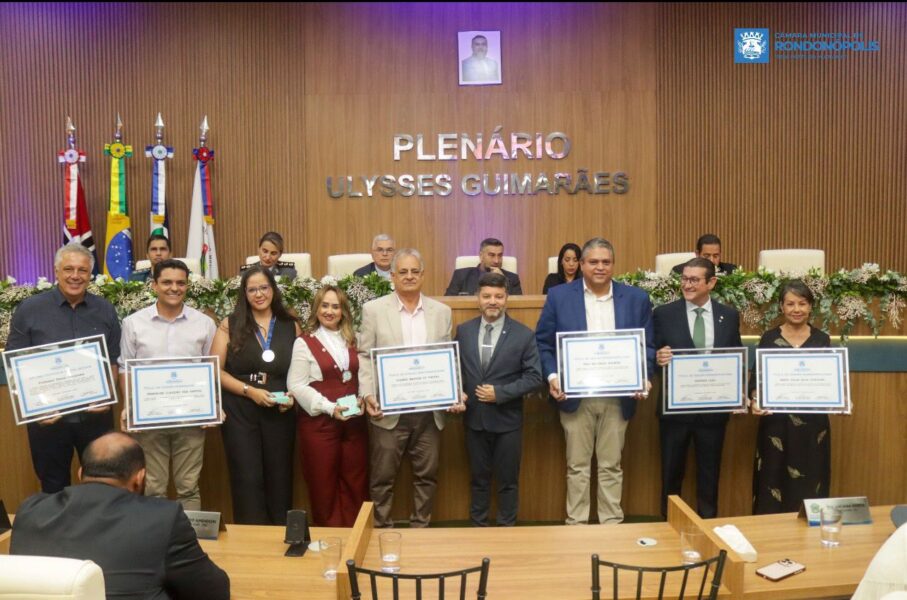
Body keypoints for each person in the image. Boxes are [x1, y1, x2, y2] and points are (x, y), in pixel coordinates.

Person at [10, 432, 230, 600]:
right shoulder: (163, 518)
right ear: (140, 478)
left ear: (80, 474)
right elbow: (214, 592)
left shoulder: (30, 510)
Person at [535, 237, 655, 525]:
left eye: (606, 262)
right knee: (577, 467)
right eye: (593, 262)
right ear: (581, 264)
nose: (600, 267)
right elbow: (542, 343)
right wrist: (553, 376)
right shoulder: (559, 296)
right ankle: (576, 524)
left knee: (611, 466)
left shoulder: (636, 298)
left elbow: (648, 346)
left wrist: (644, 377)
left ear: (613, 264)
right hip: (575, 397)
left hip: (619, 396)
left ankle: (610, 524)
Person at [357, 248, 466, 528]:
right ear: (392, 276)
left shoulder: (441, 312)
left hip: (429, 412)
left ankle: (421, 529)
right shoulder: (373, 310)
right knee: (382, 479)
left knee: (427, 476)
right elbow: (365, 355)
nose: (409, 276)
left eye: (414, 271)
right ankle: (381, 530)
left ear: (422, 274)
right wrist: (368, 394)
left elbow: (448, 358)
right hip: (387, 410)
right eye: (402, 272)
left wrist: (455, 391)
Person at [6, 243, 121, 493]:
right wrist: (33, 410)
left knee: (102, 485)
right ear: (56, 271)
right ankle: (60, 533)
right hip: (48, 419)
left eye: (82, 270)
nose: (75, 276)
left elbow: (112, 360)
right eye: (68, 269)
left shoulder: (105, 309)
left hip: (95, 417)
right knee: (53, 486)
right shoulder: (30, 309)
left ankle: (98, 532)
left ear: (90, 274)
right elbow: (16, 365)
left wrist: (108, 398)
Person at [119, 259, 217, 511]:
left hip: (191, 419)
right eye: (167, 282)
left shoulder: (204, 323)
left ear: (187, 286)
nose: (174, 288)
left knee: (188, 487)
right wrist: (129, 407)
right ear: (154, 286)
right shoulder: (133, 323)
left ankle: (189, 546)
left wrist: (214, 405)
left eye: (180, 283)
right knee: (153, 489)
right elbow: (125, 368)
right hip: (149, 419)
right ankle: (157, 545)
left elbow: (212, 368)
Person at [654, 257, 743, 518]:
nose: (687, 285)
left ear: (711, 282)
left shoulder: (729, 315)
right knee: (671, 475)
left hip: (713, 413)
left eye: (694, 280)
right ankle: (668, 524)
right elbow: (650, 353)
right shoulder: (663, 314)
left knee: (709, 475)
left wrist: (739, 394)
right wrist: (658, 358)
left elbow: (735, 358)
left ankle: (709, 527)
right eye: (684, 279)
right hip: (675, 413)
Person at [211, 265, 301, 524]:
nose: (259, 294)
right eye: (252, 289)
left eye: (264, 287)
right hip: (241, 407)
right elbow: (216, 371)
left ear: (273, 289)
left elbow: (302, 368)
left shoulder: (290, 324)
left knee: (280, 477)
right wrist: (250, 392)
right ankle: (251, 543)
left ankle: (281, 541)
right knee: (247, 478)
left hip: (279, 410)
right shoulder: (230, 324)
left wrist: (291, 396)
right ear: (244, 293)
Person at [456, 272, 543, 526]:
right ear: (477, 299)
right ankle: (478, 529)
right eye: (486, 296)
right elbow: (455, 369)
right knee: (478, 481)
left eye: (498, 296)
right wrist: (456, 392)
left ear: (506, 299)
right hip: (474, 421)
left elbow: (535, 377)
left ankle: (507, 532)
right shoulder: (464, 331)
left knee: (508, 482)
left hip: (507, 423)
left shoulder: (523, 335)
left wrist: (500, 394)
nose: (492, 301)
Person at [287, 285, 368, 526]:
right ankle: (330, 540)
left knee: (356, 482)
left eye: (335, 306)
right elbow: (296, 385)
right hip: (319, 426)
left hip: (354, 425)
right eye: (325, 305)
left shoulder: (354, 339)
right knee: (323, 485)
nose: (330, 311)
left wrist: (364, 397)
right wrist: (329, 407)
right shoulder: (304, 343)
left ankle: (356, 538)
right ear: (316, 308)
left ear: (343, 311)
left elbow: (364, 374)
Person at [749, 279, 831, 514]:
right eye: (790, 304)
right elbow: (756, 381)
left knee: (810, 481)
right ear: (781, 307)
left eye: (802, 303)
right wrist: (755, 399)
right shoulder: (768, 338)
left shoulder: (822, 339)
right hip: (776, 424)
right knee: (771, 480)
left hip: (813, 428)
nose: (797, 309)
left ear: (811, 307)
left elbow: (830, 381)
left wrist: (842, 399)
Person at [445, 238, 522, 296]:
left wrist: (504, 282)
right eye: (491, 255)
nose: (496, 261)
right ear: (481, 256)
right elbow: (449, 302)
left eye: (500, 255)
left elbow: (517, 305)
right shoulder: (461, 275)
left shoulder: (512, 279)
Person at [672, 233, 737, 275]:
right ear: (697, 254)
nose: (711, 260)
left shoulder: (731, 271)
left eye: (715, 256)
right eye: (707, 256)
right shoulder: (679, 271)